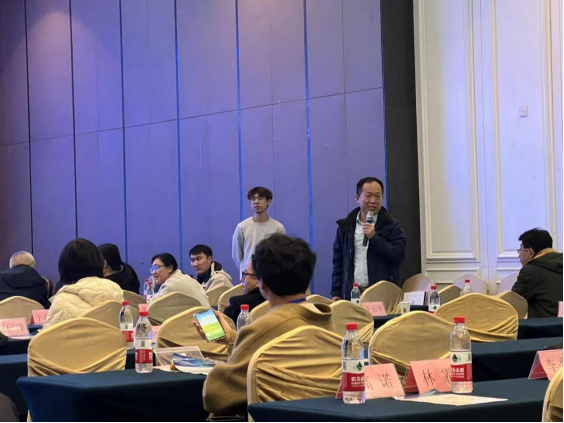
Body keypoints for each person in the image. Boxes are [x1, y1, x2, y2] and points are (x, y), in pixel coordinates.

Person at [197, 234, 335, 417]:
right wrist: (232, 338)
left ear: (261, 283)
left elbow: (215, 396)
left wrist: (217, 370)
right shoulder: (327, 320)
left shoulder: (264, 328)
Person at [331, 177, 407, 301]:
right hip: (353, 292)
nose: (373, 201)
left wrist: (374, 238)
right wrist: (336, 292)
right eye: (368, 196)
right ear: (357, 198)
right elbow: (338, 262)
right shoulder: (346, 227)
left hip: (381, 294)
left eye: (378, 196)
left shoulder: (391, 225)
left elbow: (399, 255)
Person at [43, 239, 123, 329]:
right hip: (113, 338)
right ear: (99, 262)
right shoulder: (116, 291)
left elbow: (47, 336)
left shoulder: (62, 301)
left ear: (64, 267)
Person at [232, 187, 286, 272]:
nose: (256, 202)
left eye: (260, 198)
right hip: (249, 275)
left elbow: (282, 254)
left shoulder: (278, 227)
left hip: (270, 274)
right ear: (250, 204)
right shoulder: (242, 227)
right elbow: (236, 255)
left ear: (269, 201)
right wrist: (246, 270)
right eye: (253, 199)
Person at [512, 229, 563, 318]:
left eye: (520, 250)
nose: (519, 255)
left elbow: (512, 302)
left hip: (545, 325)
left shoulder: (530, 271)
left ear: (530, 252)